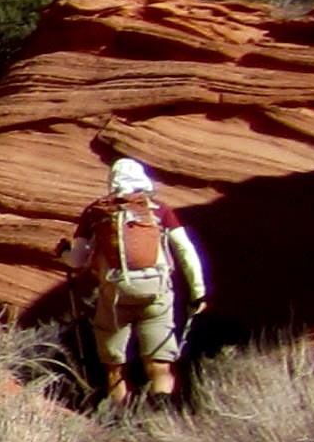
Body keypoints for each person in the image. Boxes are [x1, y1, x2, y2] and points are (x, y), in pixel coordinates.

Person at [63, 152, 208, 402]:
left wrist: (64, 252)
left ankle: (119, 420)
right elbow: (185, 250)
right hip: (156, 292)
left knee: (114, 367)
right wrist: (199, 292)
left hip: (116, 294)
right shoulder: (159, 210)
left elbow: (77, 261)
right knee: (159, 364)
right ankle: (160, 412)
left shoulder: (97, 212)